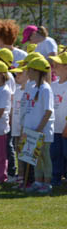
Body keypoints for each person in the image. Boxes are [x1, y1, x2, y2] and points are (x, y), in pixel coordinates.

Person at [20, 56, 55, 193]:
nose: (27, 72)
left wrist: (39, 129)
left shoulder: (46, 89)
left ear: (37, 71)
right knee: (35, 157)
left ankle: (47, 183)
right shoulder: (32, 87)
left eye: (30, 70)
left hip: (42, 131)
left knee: (45, 157)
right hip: (31, 130)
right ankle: (38, 181)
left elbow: (48, 111)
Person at [50, 55, 67, 187]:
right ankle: (56, 178)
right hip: (54, 128)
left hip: (65, 128)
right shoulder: (53, 85)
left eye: (57, 65)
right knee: (55, 154)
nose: (53, 67)